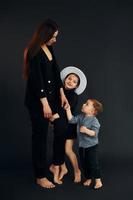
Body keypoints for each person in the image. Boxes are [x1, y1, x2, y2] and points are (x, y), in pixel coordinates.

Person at [23, 19, 69, 189]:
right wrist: (45, 105)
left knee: (62, 127)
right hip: (38, 102)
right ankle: (40, 176)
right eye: (53, 37)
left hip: (52, 99)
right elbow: (37, 81)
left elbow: (56, 72)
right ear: (45, 35)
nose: (55, 40)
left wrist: (62, 93)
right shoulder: (34, 52)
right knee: (40, 138)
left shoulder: (49, 48)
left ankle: (56, 163)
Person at [49, 66, 87, 183]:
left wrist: (55, 116)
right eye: (69, 78)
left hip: (69, 125)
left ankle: (77, 171)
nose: (71, 82)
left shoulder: (73, 95)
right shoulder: (58, 91)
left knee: (67, 150)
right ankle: (63, 168)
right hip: (60, 123)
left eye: (74, 82)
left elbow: (65, 109)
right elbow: (54, 105)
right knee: (59, 144)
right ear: (65, 78)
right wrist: (52, 119)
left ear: (76, 86)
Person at [65, 98, 103, 189]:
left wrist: (86, 130)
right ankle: (88, 178)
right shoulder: (80, 116)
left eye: (87, 104)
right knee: (84, 163)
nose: (83, 104)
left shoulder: (94, 121)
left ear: (93, 111)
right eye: (85, 103)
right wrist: (68, 109)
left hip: (92, 146)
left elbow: (94, 133)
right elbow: (71, 119)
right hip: (82, 146)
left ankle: (98, 180)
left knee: (93, 163)